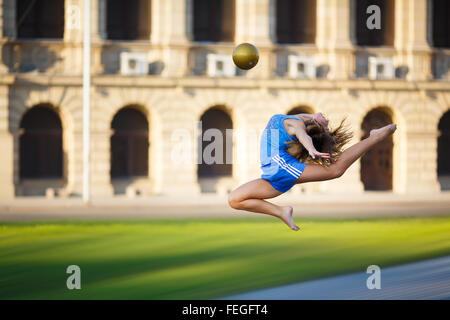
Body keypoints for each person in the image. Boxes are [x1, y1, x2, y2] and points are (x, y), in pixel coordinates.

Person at [228, 112, 397, 231]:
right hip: (272, 174)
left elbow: (303, 135)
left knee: (335, 170)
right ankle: (281, 211)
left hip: (280, 168)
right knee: (234, 200)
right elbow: (304, 131)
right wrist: (316, 123)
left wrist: (310, 147)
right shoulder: (296, 121)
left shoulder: (295, 122)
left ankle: (375, 137)